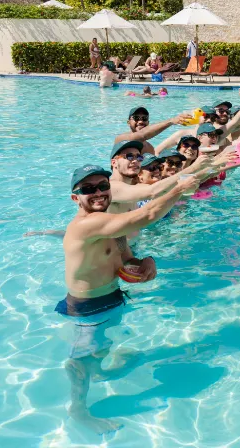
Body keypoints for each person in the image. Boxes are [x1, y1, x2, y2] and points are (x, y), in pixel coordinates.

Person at [59, 164, 198, 432]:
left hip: (111, 297)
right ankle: (78, 410)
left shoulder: (110, 222)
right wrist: (180, 187)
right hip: (88, 309)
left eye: (103, 186)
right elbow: (148, 214)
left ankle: (98, 372)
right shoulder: (85, 225)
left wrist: (147, 261)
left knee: (100, 346)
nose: (98, 192)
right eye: (88, 189)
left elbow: (126, 256)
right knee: (80, 359)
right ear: (75, 198)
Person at [114, 106, 192, 156]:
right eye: (136, 118)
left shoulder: (150, 148)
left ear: (148, 123)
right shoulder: (121, 139)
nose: (140, 121)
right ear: (128, 122)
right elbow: (142, 135)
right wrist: (171, 121)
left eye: (144, 118)